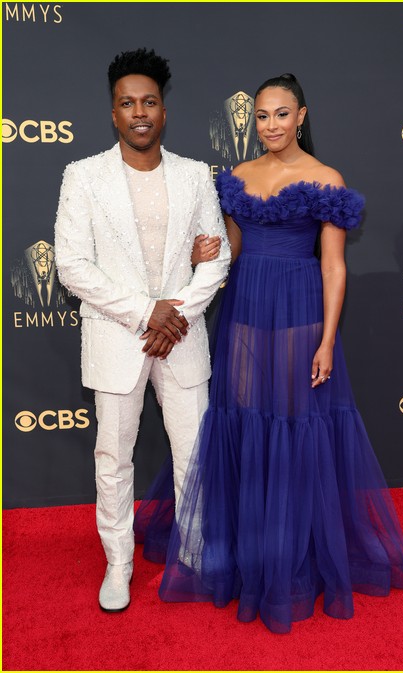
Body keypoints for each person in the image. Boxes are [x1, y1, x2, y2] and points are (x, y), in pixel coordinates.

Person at [135, 73, 403, 634]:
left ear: (302, 116)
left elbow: (334, 265)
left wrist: (328, 339)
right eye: (262, 116)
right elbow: (231, 253)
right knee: (244, 421)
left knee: (290, 425)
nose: (271, 126)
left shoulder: (325, 179)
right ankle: (249, 552)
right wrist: (204, 253)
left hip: (299, 312)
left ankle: (288, 558)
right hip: (245, 309)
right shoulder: (238, 177)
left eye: (282, 115)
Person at [54, 48, 230, 613]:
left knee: (194, 454)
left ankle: (197, 555)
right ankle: (119, 563)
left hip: (180, 338)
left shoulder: (195, 175)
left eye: (148, 101)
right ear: (112, 113)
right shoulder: (82, 177)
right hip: (116, 335)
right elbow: (72, 265)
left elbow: (217, 256)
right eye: (127, 103)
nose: (139, 112)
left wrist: (173, 316)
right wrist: (143, 312)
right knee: (113, 456)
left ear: (163, 110)